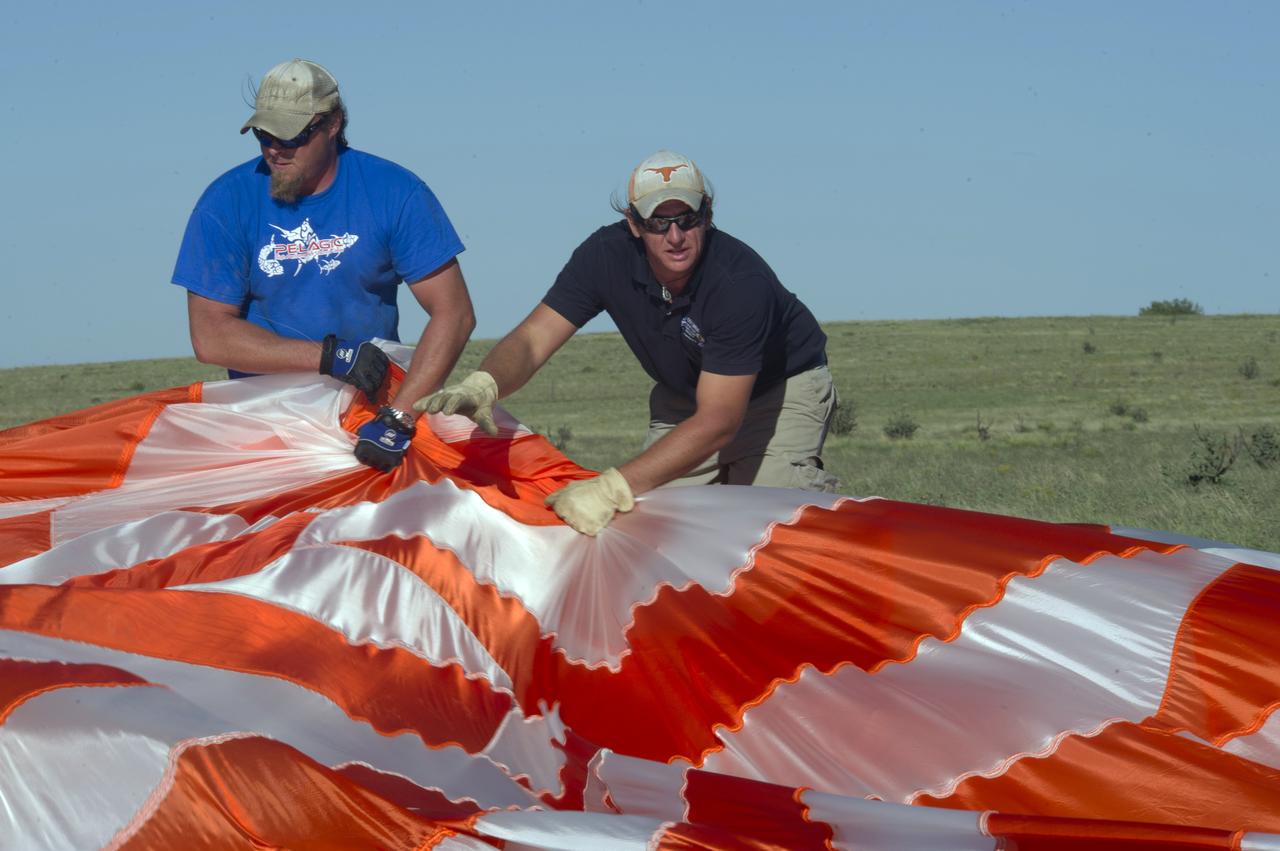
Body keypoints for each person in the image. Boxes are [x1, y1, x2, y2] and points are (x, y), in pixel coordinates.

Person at [419, 150, 838, 535]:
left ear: (707, 218)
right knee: (650, 529)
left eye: (687, 219)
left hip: (776, 394)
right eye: (658, 222)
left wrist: (610, 488)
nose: (675, 236)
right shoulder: (604, 255)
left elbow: (718, 421)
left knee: (771, 527)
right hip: (685, 396)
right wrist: (485, 383)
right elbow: (533, 338)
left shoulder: (740, 283)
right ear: (633, 224)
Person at [172, 58, 476, 472]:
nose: (275, 148)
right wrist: (330, 356)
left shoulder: (395, 192)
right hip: (266, 427)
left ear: (332, 124)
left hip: (371, 417)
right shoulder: (225, 203)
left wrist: (400, 418)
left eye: (291, 134)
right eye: (263, 134)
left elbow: (453, 313)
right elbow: (210, 336)